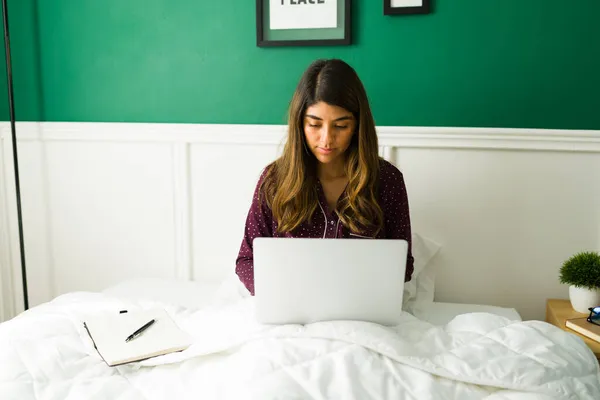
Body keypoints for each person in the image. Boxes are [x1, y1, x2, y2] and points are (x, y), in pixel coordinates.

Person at [235, 58, 414, 296]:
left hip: (360, 313)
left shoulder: (388, 181)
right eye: (314, 125)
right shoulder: (274, 180)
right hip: (289, 311)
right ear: (300, 124)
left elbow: (404, 266)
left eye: (340, 126)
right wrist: (279, 294)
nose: (326, 139)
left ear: (358, 127)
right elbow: (247, 260)